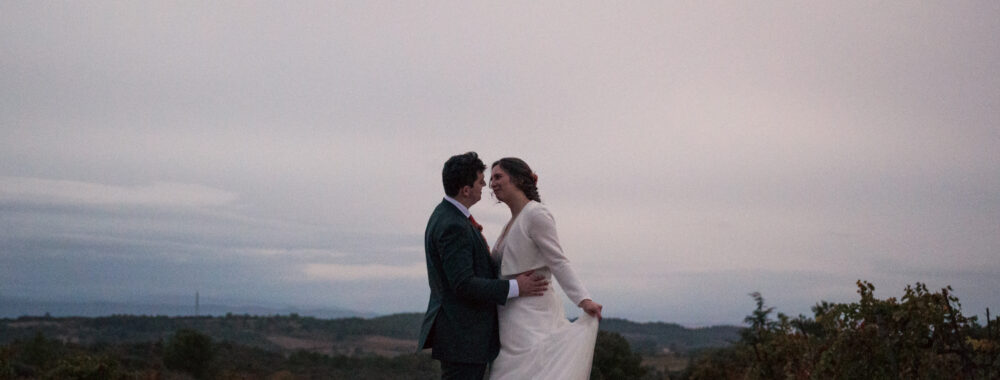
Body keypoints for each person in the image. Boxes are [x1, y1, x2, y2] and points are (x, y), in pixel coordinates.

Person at [418, 152, 549, 380]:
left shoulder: (445, 216)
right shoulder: (453, 225)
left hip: (462, 338)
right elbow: (464, 284)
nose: (485, 187)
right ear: (465, 190)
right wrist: (515, 287)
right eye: (480, 182)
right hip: (463, 338)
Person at [487, 157, 603, 380]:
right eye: (491, 178)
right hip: (509, 319)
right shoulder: (510, 223)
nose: (493, 183)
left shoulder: (536, 214)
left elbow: (558, 261)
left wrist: (583, 300)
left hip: (533, 318)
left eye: (498, 176)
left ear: (519, 179)